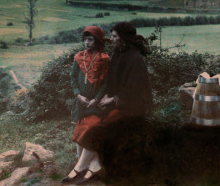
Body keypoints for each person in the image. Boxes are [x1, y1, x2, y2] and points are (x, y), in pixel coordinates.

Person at [62, 22, 153, 184]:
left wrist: (111, 99)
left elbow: (134, 89)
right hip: (115, 102)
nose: (112, 39)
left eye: (115, 36)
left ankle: (80, 167)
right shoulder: (119, 53)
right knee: (88, 119)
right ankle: (95, 166)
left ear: (124, 38)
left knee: (97, 127)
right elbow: (110, 82)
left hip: (131, 107)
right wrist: (103, 98)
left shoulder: (136, 59)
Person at [62, 26, 111, 183]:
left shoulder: (104, 59)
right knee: (80, 129)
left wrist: (97, 99)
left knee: (91, 129)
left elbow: (105, 83)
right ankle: (90, 166)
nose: (87, 42)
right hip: (81, 101)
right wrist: (78, 95)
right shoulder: (79, 57)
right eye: (85, 39)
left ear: (97, 41)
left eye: (90, 39)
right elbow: (73, 78)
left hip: (96, 103)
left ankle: (82, 167)